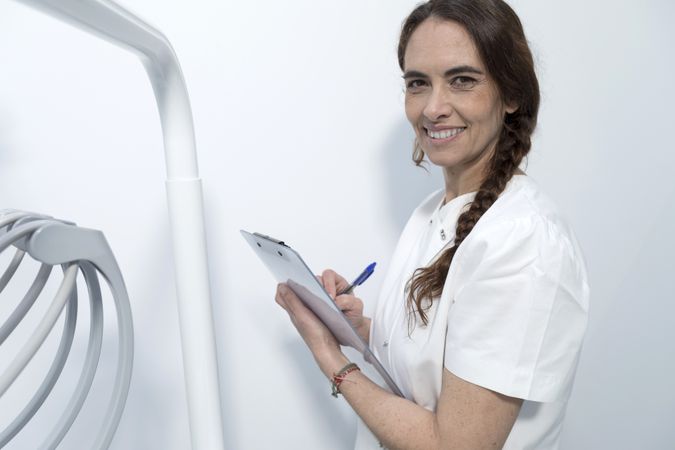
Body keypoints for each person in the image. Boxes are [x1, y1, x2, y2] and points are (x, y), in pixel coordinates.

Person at [274, 0, 589, 448]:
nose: (433, 107)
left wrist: (329, 358)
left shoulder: (522, 242)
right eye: (418, 83)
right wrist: (356, 333)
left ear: (512, 95)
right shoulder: (432, 212)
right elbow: (432, 375)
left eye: (462, 80)